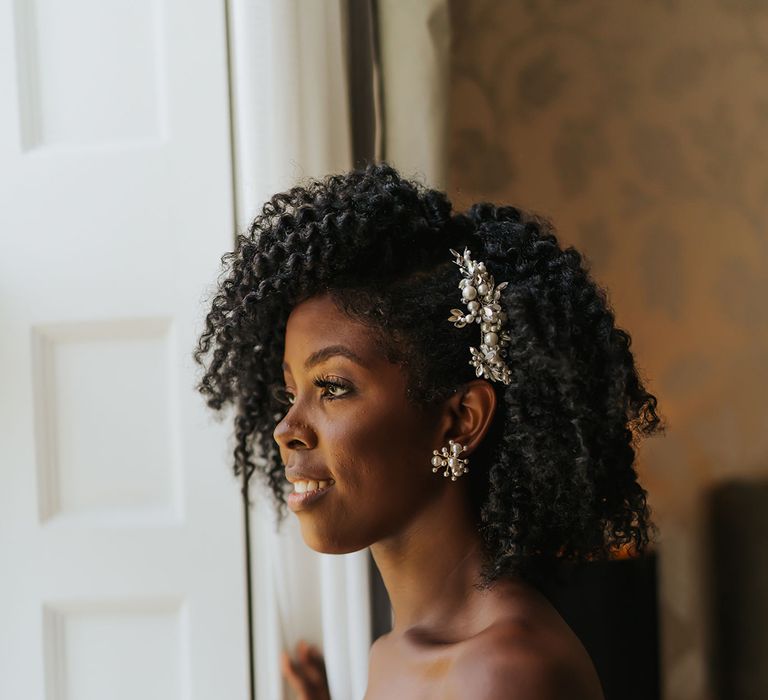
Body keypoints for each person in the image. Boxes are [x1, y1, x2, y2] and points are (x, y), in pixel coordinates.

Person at [194, 163, 662, 699]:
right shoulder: (393, 653)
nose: (285, 429)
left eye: (333, 386)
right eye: (289, 390)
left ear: (460, 420)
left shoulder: (506, 673)